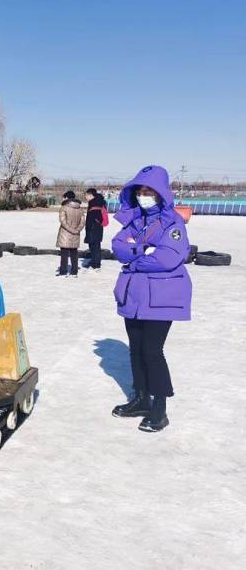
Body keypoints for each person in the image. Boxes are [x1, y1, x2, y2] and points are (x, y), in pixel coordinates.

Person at [111, 165, 191, 432]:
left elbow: (168, 257)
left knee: (152, 352)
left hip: (160, 298)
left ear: (160, 194)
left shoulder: (173, 224)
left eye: (149, 191)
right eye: (140, 191)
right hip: (133, 297)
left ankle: (160, 409)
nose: (144, 196)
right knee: (135, 350)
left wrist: (135, 257)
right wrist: (143, 249)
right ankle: (142, 399)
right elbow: (119, 247)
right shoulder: (134, 221)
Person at [56, 190, 86, 277]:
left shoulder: (64, 207)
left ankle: (63, 271)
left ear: (67, 198)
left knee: (64, 254)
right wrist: (77, 230)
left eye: (64, 197)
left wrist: (71, 230)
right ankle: (74, 271)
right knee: (74, 253)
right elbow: (82, 222)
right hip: (76, 234)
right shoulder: (80, 209)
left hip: (65, 233)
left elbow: (63, 221)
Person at [83, 187, 107, 271]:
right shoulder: (98, 202)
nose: (85, 197)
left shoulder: (95, 203)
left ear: (90, 195)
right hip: (97, 228)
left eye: (86, 195)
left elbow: (95, 217)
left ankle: (96, 264)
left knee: (95, 247)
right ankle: (94, 262)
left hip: (94, 228)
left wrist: (90, 227)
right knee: (95, 246)